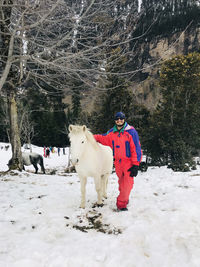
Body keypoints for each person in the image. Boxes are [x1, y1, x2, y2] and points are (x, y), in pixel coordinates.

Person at [94, 111, 142, 211]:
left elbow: (136, 148)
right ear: (115, 120)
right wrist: (90, 137)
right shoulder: (112, 132)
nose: (119, 120)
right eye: (117, 119)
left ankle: (121, 204)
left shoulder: (131, 132)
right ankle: (124, 198)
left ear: (124, 119)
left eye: (121, 118)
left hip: (128, 162)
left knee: (127, 184)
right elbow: (103, 138)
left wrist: (136, 164)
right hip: (118, 163)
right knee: (122, 183)